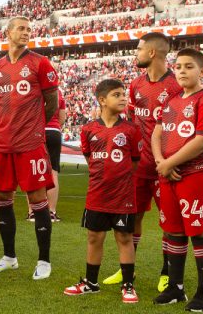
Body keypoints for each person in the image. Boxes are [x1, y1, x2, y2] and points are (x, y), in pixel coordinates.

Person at [103, 32, 183, 290]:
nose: (135, 53)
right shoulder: (136, 85)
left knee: (169, 220)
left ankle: (167, 271)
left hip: (165, 165)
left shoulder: (176, 86)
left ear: (151, 53)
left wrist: (170, 161)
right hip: (138, 167)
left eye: (138, 49)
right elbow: (133, 123)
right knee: (131, 217)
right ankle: (128, 270)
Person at [0, 16, 59, 280]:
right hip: (2, 144)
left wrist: (34, 125)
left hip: (30, 143)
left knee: (38, 200)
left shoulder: (40, 63)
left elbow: (51, 102)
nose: (26, 33)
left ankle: (44, 261)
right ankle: (9, 257)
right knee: (3, 199)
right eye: (21, 29)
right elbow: (0, 103)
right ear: (8, 33)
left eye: (29, 29)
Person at [152, 48, 203, 312]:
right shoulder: (171, 101)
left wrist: (170, 163)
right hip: (168, 174)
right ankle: (175, 288)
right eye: (178, 66)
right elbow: (157, 133)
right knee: (173, 230)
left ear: (202, 71)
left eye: (189, 66)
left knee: (199, 229)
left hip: (195, 173)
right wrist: (161, 162)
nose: (181, 71)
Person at [63, 79, 141, 303]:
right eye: (117, 95)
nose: (123, 98)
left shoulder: (130, 129)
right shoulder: (88, 129)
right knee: (94, 237)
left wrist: (118, 175)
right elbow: (90, 159)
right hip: (97, 193)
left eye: (124, 94)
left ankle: (128, 285)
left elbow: (134, 162)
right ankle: (90, 283)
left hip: (123, 195)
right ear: (102, 100)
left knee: (124, 237)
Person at [27, 91, 66, 222]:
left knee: (33, 171)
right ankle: (51, 211)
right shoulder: (58, 92)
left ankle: (32, 211)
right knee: (53, 172)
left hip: (35, 131)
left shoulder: (33, 90)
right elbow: (62, 118)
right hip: (54, 131)